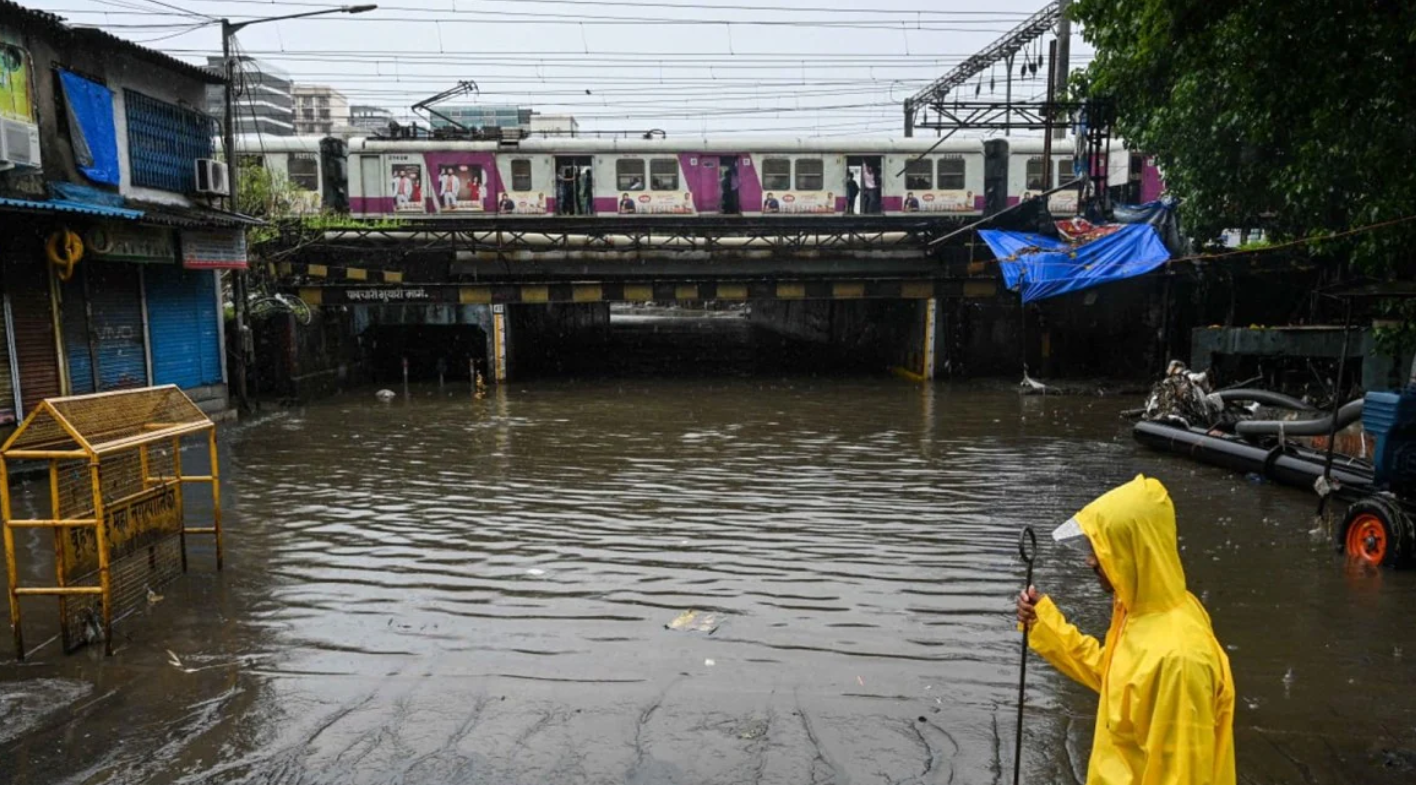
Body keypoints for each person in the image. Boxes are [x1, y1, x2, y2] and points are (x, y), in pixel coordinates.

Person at [1016, 475, 1236, 785]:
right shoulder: (1143, 613)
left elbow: (1182, 776)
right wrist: (1043, 623)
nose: (1090, 560)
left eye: (1101, 548)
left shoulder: (1178, 660)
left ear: (1131, 553)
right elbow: (1116, 680)